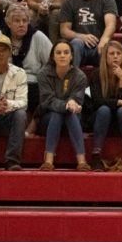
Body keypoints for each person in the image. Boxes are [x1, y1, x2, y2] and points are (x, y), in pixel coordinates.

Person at [0, 3, 51, 136]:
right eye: (17, 21)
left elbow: (52, 64)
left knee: (46, 93)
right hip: (1, 83)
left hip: (32, 83)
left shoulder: (38, 37)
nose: (21, 24)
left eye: (25, 21)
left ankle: (32, 126)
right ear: (8, 23)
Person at [35, 40, 88, 171]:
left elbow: (78, 99)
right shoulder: (43, 74)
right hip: (47, 120)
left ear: (71, 56)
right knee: (58, 112)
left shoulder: (80, 76)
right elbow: (47, 100)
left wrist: (72, 104)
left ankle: (82, 162)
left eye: (66, 52)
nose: (62, 55)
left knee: (68, 113)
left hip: (73, 119)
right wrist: (67, 104)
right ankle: (48, 161)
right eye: (58, 53)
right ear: (53, 56)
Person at [88, 41, 122, 172]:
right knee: (104, 109)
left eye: (118, 53)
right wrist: (119, 102)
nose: (115, 56)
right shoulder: (96, 75)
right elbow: (97, 102)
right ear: (105, 56)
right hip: (101, 119)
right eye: (112, 53)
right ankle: (96, 155)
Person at [0, 33, 27, 171]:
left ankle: (12, 161)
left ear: (10, 53)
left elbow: (23, 102)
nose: (1, 54)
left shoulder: (19, 73)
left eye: (5, 50)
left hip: (8, 119)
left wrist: (6, 105)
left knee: (21, 115)